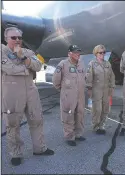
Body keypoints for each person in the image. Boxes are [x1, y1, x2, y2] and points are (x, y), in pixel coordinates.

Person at [1, 27, 54, 166]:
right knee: (13, 124)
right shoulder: (2, 51)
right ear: (6, 39)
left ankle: (40, 148)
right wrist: (27, 68)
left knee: (37, 119)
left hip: (31, 91)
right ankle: (16, 153)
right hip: (12, 92)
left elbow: (38, 66)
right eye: (14, 38)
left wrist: (23, 57)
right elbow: (8, 68)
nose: (17, 40)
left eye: (19, 37)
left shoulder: (27, 52)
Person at [52, 45, 86, 146]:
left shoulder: (81, 64)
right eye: (75, 52)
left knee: (80, 114)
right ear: (69, 53)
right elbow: (55, 80)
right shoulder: (63, 64)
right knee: (68, 115)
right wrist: (63, 91)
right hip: (68, 95)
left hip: (80, 94)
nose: (77, 54)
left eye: (78, 52)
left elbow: (84, 77)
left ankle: (78, 134)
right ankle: (70, 136)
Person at [85, 45, 115, 134]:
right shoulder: (92, 64)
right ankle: (96, 126)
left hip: (106, 90)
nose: (102, 54)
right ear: (96, 53)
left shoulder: (107, 64)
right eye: (100, 52)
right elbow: (89, 77)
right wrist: (89, 89)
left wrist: (112, 87)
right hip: (96, 90)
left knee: (106, 109)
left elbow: (112, 76)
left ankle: (102, 125)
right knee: (97, 109)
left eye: (104, 52)